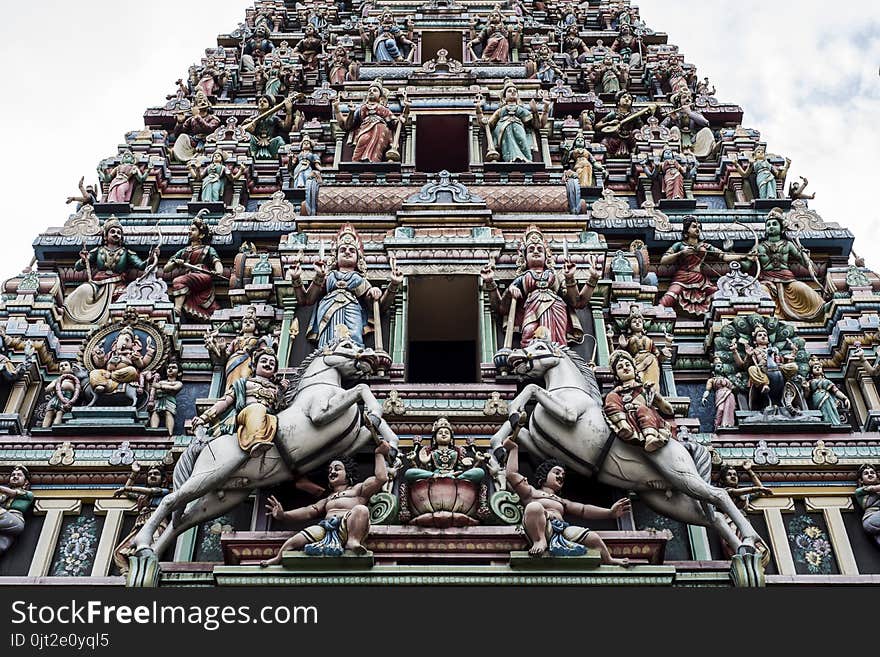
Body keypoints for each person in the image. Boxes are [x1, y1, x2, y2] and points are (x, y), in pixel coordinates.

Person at [504, 434, 630, 564]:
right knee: (534, 507)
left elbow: (583, 510)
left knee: (593, 537)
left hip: (562, 529)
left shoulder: (562, 501)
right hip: (539, 528)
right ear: (544, 475)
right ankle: (539, 541)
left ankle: (608, 559)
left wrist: (609, 513)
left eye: (563, 475)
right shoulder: (531, 492)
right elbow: (512, 474)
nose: (560, 477)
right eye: (556, 472)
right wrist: (513, 449)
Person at [260, 441, 391, 564]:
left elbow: (381, 478)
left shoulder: (358, 490)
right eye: (330, 470)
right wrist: (284, 515)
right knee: (295, 540)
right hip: (327, 529)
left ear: (348, 473)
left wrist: (379, 454)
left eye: (337, 469)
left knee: (361, 510)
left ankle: (353, 541)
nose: (332, 472)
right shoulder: (328, 498)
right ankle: (277, 558)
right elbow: (309, 511)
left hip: (349, 526)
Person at [482, 225, 599, 347]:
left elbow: (577, 302)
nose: (536, 251)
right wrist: (493, 283)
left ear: (546, 256)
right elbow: (500, 307)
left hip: (556, 309)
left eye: (539, 249)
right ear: (524, 258)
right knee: (528, 335)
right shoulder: (522, 278)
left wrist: (590, 278)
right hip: (531, 310)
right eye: (531, 250)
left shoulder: (553, 276)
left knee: (557, 343)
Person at [289, 223, 403, 348]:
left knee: (352, 344)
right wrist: (297, 278)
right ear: (335, 257)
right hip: (328, 310)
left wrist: (393, 285)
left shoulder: (358, 279)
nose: (347, 252)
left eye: (352, 250)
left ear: (358, 258)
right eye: (342, 250)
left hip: (352, 311)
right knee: (327, 344)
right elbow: (306, 299)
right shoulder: (329, 276)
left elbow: (379, 307)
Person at [192, 347, 284, 457]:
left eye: (271, 363)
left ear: (275, 371)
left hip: (268, 416)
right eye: (263, 361)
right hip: (247, 414)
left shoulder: (275, 389)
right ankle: (256, 441)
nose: (267, 364)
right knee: (257, 408)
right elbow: (225, 401)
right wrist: (204, 418)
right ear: (254, 366)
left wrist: (281, 392)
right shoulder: (244, 383)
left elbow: (280, 407)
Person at [63, 217, 153, 326]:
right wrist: (83, 260)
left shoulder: (126, 252)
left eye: (119, 233)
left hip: (117, 283)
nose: (116, 234)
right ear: (106, 235)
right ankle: (68, 313)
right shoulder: (98, 251)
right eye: (112, 232)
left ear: (121, 237)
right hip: (97, 283)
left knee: (125, 298)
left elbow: (141, 265)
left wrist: (152, 258)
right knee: (83, 290)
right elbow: (77, 268)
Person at [659, 216, 753, 315]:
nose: (697, 229)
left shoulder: (705, 246)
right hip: (682, 277)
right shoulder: (679, 245)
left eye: (699, 227)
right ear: (686, 232)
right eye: (694, 226)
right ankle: (658, 310)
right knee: (671, 294)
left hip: (700, 278)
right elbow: (663, 260)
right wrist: (681, 253)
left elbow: (724, 256)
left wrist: (744, 256)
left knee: (718, 294)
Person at [750, 208, 826, 321]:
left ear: (781, 228)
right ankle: (767, 318)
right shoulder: (759, 247)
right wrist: (748, 257)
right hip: (767, 281)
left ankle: (822, 308)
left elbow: (805, 263)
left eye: (774, 224)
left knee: (802, 288)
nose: (771, 226)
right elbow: (745, 266)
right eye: (768, 225)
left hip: (788, 280)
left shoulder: (788, 244)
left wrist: (805, 255)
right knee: (760, 291)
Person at [604, 350, 676, 453]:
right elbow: (612, 405)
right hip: (626, 420)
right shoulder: (616, 393)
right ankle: (623, 425)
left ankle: (650, 437)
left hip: (645, 419)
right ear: (616, 375)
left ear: (634, 369)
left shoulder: (645, 389)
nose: (625, 368)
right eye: (620, 367)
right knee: (611, 396)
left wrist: (655, 396)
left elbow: (669, 411)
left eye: (627, 365)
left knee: (643, 409)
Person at [164, 215, 224, 321]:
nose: (189, 232)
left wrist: (218, 272)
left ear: (201, 235)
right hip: (190, 275)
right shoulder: (183, 251)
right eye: (189, 229)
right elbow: (166, 269)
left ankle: (177, 309)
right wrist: (175, 263)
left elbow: (217, 262)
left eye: (193, 230)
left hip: (202, 275)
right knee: (182, 280)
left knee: (178, 281)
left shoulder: (207, 249)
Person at [113, 463, 170, 574]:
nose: (152, 476)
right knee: (119, 552)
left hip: (156, 522)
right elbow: (128, 493)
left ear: (163, 480)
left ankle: (150, 573)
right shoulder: (142, 497)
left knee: (153, 549)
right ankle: (127, 574)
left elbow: (150, 491)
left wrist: (126, 488)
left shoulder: (164, 492)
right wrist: (134, 474)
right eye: (150, 474)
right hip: (140, 525)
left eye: (156, 474)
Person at [333, 80, 408, 163]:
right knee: (362, 142)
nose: (371, 92)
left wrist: (405, 113)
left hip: (380, 130)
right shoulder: (362, 109)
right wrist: (345, 110)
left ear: (381, 97)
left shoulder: (383, 109)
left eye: (375, 90)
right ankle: (357, 162)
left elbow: (394, 123)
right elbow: (347, 125)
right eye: (370, 91)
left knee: (376, 147)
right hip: (364, 129)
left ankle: (374, 163)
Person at [480, 80, 549, 163]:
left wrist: (536, 111)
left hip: (519, 128)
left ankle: (525, 158)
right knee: (508, 144)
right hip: (504, 130)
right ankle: (510, 159)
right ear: (504, 97)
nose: (512, 93)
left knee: (522, 141)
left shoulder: (521, 110)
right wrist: (478, 111)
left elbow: (536, 125)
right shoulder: (501, 111)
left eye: (515, 91)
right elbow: (489, 124)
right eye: (509, 91)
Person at [404, 417, 485, 483]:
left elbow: (461, 470)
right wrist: (413, 460)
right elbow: (423, 469)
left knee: (479, 472)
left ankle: (454, 478)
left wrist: (470, 463)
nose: (443, 434)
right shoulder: (429, 452)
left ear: (451, 439)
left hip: (454, 476)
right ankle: (443, 477)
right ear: (435, 439)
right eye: (440, 433)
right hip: (434, 475)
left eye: (446, 433)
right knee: (409, 473)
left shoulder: (457, 452)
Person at [617, 305, 671, 389]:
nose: (637, 323)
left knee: (652, 383)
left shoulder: (650, 340)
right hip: (636, 362)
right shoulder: (628, 339)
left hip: (651, 361)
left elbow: (658, 355)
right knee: (640, 382)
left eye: (640, 321)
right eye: (634, 321)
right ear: (630, 326)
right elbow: (619, 355)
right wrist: (622, 346)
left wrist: (663, 353)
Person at [243, 94, 296, 160]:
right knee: (249, 137)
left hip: (271, 141)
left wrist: (289, 111)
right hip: (256, 142)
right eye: (260, 102)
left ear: (270, 106)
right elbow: (243, 130)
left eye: (265, 101)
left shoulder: (274, 118)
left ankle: (279, 159)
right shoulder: (253, 119)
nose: (261, 103)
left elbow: (286, 127)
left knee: (279, 140)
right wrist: (244, 123)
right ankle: (251, 157)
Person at [804, 356, 850, 425]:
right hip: (816, 398)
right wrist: (806, 389)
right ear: (811, 371)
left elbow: (836, 391)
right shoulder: (810, 382)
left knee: (830, 410)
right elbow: (806, 396)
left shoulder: (827, 381)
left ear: (822, 369)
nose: (817, 368)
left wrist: (845, 398)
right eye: (815, 367)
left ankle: (833, 423)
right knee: (821, 412)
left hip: (827, 398)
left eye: (819, 367)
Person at [0, 466, 34, 557]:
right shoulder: (4, 496)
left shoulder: (27, 494)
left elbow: (13, 493)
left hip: (15, 520)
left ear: (26, 481)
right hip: (6, 523)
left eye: (19, 475)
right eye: (13, 475)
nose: (15, 476)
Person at [702, 356, 737, 429]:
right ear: (714, 369)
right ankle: (717, 425)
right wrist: (704, 397)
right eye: (718, 366)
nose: (720, 368)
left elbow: (734, 388)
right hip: (720, 394)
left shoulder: (727, 379)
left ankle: (728, 425)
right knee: (720, 409)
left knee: (730, 409)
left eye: (721, 366)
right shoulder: (712, 380)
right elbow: (707, 390)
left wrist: (737, 379)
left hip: (729, 394)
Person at [148, 362, 183, 435]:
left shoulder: (178, 383)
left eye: (173, 367)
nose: (170, 369)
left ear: (179, 373)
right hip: (158, 399)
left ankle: (169, 433)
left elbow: (174, 388)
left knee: (168, 413)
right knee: (155, 412)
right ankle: (153, 432)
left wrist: (161, 386)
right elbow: (154, 388)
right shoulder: (161, 381)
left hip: (169, 400)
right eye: (169, 367)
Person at [855, 464, 880, 548]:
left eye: (872, 472)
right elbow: (873, 488)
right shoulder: (860, 491)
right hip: (871, 518)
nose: (870, 474)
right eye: (866, 473)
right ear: (861, 481)